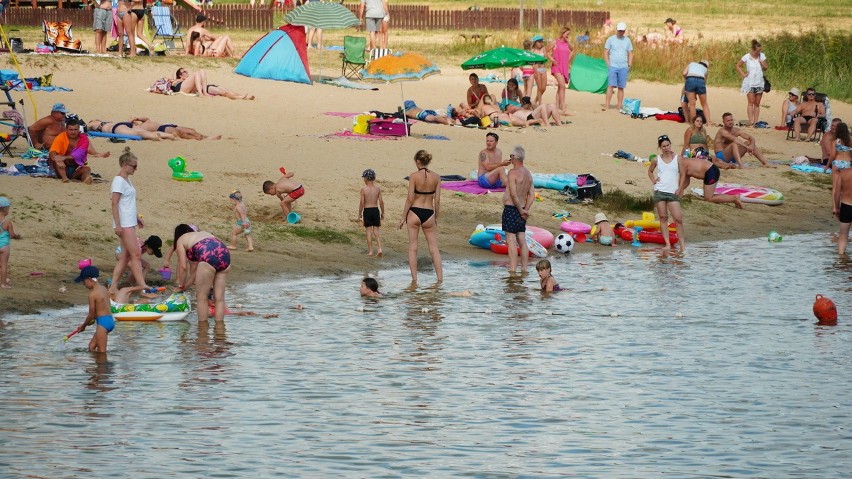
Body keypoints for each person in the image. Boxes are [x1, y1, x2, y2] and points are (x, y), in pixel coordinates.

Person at [108, 147, 150, 296]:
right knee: (136, 254)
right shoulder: (119, 180)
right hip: (124, 224)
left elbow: (127, 202)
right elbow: (114, 203)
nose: (135, 169)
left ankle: (113, 287)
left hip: (129, 221)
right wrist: (118, 225)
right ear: (125, 165)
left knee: (125, 256)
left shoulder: (127, 180)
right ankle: (142, 287)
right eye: (134, 166)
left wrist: (136, 216)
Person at [399, 150, 442, 284]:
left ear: (418, 161)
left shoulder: (413, 176)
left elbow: (410, 198)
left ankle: (414, 281)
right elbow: (438, 200)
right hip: (429, 212)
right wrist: (436, 217)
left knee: (413, 247)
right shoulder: (436, 177)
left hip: (414, 212)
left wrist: (403, 217)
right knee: (434, 248)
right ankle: (440, 280)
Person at [173, 224, 231, 323]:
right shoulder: (203, 234)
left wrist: (181, 285)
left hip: (207, 256)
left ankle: (203, 332)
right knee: (220, 300)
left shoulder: (181, 240)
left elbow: (183, 267)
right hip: (225, 255)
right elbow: (196, 271)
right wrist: (186, 286)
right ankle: (220, 334)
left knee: (201, 298)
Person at [647, 134, 686, 250]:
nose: (666, 148)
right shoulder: (656, 159)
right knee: (663, 217)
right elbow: (650, 171)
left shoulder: (678, 158)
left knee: (678, 219)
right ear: (660, 147)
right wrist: (654, 181)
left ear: (670, 144)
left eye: (668, 145)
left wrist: (680, 188)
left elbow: (683, 174)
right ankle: (667, 243)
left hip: (672, 192)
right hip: (660, 191)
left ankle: (682, 244)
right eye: (663, 146)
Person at [502, 145, 535, 274]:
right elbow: (532, 195)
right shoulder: (528, 174)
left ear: (514, 157)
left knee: (510, 239)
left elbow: (513, 194)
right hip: (522, 209)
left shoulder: (513, 173)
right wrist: (525, 210)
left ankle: (513, 271)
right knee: (521, 238)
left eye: (511, 156)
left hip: (512, 208)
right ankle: (525, 270)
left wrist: (521, 211)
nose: (510, 158)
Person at [49, 119, 110, 184]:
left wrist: (64, 157)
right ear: (66, 130)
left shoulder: (84, 139)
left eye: (75, 130)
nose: (73, 132)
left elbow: (79, 154)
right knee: (58, 160)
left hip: (75, 169)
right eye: (71, 130)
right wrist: (57, 159)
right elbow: (52, 151)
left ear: (79, 130)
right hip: (62, 168)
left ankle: (87, 179)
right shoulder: (60, 137)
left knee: (87, 169)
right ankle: (65, 178)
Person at [676, 156, 743, 209]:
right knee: (708, 197)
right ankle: (734, 198)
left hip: (711, 171)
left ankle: (734, 198)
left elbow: (682, 178)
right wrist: (678, 191)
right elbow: (686, 181)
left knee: (708, 198)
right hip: (710, 170)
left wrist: (678, 194)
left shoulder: (681, 163)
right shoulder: (683, 162)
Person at [73, 266, 114, 353]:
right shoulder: (104, 289)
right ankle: (96, 365)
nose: (84, 284)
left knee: (102, 353)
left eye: (84, 282)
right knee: (91, 347)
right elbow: (104, 306)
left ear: (89, 279)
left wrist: (83, 326)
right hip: (109, 320)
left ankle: (102, 366)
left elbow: (91, 314)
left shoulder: (92, 295)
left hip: (103, 324)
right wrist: (95, 318)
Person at [736, 39, 768, 126]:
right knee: (751, 101)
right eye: (758, 51)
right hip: (749, 82)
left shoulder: (762, 56)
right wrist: (744, 74)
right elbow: (738, 66)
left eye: (760, 51)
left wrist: (762, 63)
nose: (759, 52)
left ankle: (756, 121)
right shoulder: (747, 56)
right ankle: (751, 121)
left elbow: (766, 67)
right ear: (753, 50)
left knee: (757, 103)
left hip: (759, 82)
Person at [603, 22, 634, 112]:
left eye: (622, 31)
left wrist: (629, 64)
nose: (621, 32)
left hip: (623, 66)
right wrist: (608, 64)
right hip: (613, 66)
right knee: (610, 85)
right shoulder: (610, 39)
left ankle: (619, 105)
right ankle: (607, 105)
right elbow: (606, 52)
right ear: (617, 30)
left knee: (621, 87)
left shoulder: (627, 40)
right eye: (620, 31)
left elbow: (630, 52)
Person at [831, 122, 852, 255]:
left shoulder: (844, 173)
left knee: (843, 235)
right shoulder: (849, 142)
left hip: (847, 205)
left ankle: (841, 258)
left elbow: (837, 192)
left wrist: (836, 208)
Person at [170, 68, 255, 100]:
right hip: (182, 88)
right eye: (184, 72)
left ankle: (242, 96)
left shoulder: (192, 80)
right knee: (197, 72)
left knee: (225, 91)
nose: (186, 72)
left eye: (186, 71)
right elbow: (173, 75)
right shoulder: (177, 80)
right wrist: (179, 78)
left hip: (200, 87)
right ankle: (201, 93)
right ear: (180, 75)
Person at [359, 168, 384, 257]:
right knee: (376, 231)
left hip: (367, 210)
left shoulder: (364, 189)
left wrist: (359, 214)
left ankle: (370, 251)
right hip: (375, 210)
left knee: (369, 232)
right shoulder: (377, 189)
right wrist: (382, 212)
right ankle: (380, 248)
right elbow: (381, 202)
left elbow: (362, 202)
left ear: (366, 178)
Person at [547, 26, 573, 115]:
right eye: (567, 34)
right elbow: (546, 52)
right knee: (562, 86)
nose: (568, 36)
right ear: (563, 33)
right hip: (557, 67)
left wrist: (568, 59)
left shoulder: (567, 43)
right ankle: (563, 108)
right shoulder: (555, 42)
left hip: (564, 66)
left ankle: (557, 107)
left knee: (560, 87)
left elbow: (573, 50)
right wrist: (552, 60)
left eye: (569, 34)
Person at [130, 117, 221, 141]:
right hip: (162, 129)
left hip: (167, 125)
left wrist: (137, 118)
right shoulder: (137, 128)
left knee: (191, 130)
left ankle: (206, 137)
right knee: (182, 133)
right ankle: (203, 139)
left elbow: (145, 117)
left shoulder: (144, 121)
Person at [0, 196, 22, 289]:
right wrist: (18, 237)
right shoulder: (7, 222)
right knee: (4, 265)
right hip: (4, 246)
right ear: (6, 210)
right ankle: (3, 283)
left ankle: (3, 279)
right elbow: (12, 235)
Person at [86, 119, 175, 141]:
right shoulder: (103, 122)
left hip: (115, 129)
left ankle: (154, 137)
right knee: (142, 132)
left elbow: (84, 128)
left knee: (137, 134)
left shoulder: (93, 123)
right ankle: (169, 135)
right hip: (122, 124)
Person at [682, 60, 711, 125]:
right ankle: (709, 123)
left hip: (690, 79)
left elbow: (684, 73)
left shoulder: (691, 63)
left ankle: (693, 123)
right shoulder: (705, 69)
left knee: (692, 104)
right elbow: (705, 81)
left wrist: (687, 80)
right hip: (701, 80)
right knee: (704, 104)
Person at [530, 35, 548, 106]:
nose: (541, 43)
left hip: (542, 68)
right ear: (535, 42)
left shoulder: (543, 49)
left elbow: (546, 58)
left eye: (542, 41)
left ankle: (535, 100)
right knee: (539, 87)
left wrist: (543, 60)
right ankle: (540, 103)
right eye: (539, 42)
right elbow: (531, 61)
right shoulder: (533, 51)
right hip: (536, 69)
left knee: (543, 88)